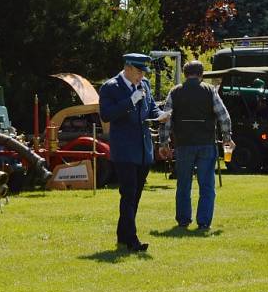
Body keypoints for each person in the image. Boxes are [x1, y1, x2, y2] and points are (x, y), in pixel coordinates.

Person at [99, 53, 169, 252]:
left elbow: (152, 109)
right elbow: (106, 114)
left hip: (143, 149)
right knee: (128, 193)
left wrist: (161, 116)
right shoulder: (110, 87)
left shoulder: (144, 85)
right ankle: (132, 240)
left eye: (143, 72)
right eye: (138, 72)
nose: (141, 76)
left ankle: (123, 235)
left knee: (135, 195)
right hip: (124, 150)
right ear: (128, 68)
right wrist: (130, 101)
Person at [158, 60, 233, 230]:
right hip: (206, 142)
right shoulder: (210, 90)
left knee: (183, 184)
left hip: (183, 144)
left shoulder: (175, 92)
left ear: (185, 74)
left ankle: (183, 220)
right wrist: (227, 137)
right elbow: (223, 116)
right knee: (207, 185)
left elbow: (165, 120)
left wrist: (164, 143)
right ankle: (204, 222)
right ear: (201, 74)